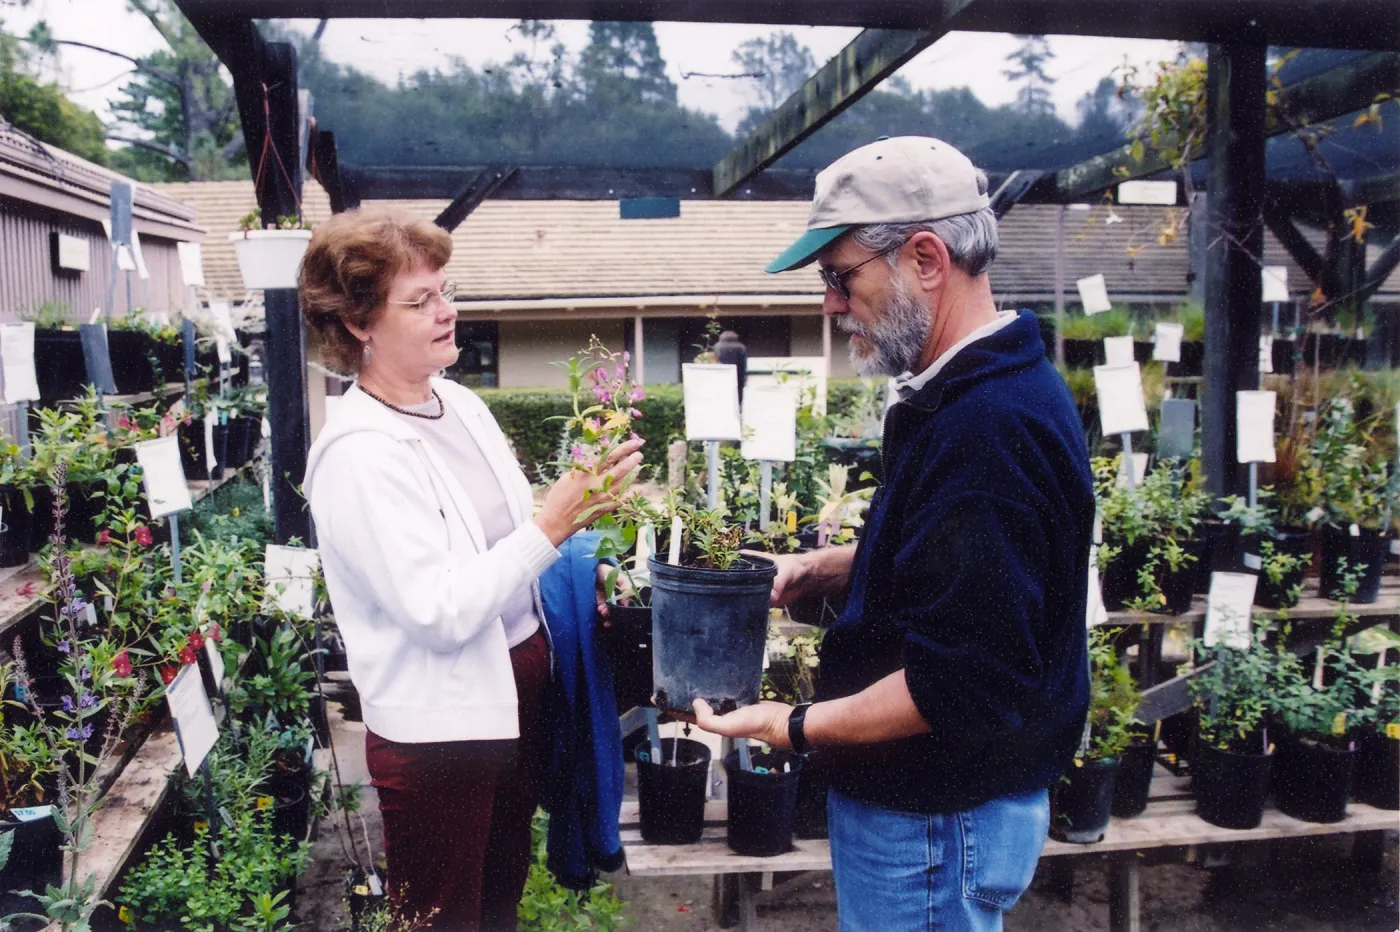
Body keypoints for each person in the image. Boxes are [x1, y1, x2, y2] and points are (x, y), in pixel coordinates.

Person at [692, 136, 1094, 931]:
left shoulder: (988, 429)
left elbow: (960, 681)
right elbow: (961, 573)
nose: (831, 305)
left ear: (926, 258)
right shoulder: (968, 393)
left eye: (842, 279)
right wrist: (830, 568)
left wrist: (792, 725)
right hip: (933, 813)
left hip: (936, 823)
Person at [299, 208, 643, 931]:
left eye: (446, 291)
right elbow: (441, 612)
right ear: (360, 323)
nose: (447, 312)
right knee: (440, 917)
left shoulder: (456, 404)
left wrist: (581, 546)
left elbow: (514, 540)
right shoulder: (359, 451)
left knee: (496, 903)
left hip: (515, 697)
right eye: (420, 301)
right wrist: (554, 522)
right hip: (439, 733)